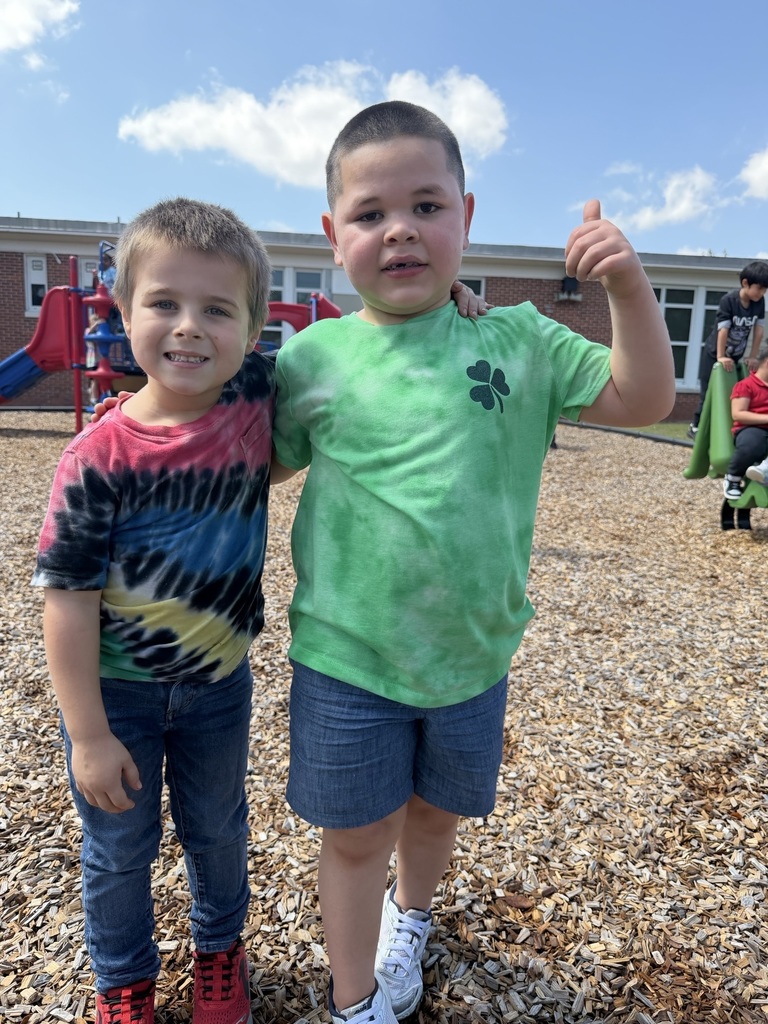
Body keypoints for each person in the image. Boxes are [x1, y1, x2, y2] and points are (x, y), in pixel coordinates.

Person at [269, 101, 675, 1024]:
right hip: (346, 657)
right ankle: (354, 998)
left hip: (474, 653)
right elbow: (248, 465)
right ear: (335, 238)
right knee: (354, 835)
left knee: (434, 817)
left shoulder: (516, 340)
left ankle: (411, 919)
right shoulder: (312, 357)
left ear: (467, 216)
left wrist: (627, 285)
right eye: (370, 214)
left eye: (427, 205)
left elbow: (645, 396)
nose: (400, 229)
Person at [32, 197, 275, 1024]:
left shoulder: (253, 399)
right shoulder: (95, 456)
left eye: (217, 308)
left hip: (218, 686)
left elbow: (365, 347)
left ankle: (219, 956)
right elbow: (67, 602)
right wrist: (89, 735)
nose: (188, 328)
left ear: (252, 325)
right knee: (117, 850)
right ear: (123, 310)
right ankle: (125, 982)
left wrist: (455, 306)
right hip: (119, 692)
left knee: (216, 830)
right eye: (164, 303)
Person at [688, 261, 768, 438]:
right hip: (714, 354)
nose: (762, 293)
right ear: (745, 283)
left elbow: (759, 330)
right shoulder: (729, 300)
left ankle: (722, 430)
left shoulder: (759, 303)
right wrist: (720, 356)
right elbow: (722, 330)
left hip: (735, 355)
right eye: (760, 288)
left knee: (730, 391)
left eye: (765, 290)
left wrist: (753, 356)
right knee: (708, 390)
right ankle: (695, 426)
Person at [722, 339, 768, 497]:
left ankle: (764, 471)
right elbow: (738, 414)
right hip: (751, 428)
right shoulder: (746, 385)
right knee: (752, 443)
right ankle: (733, 478)